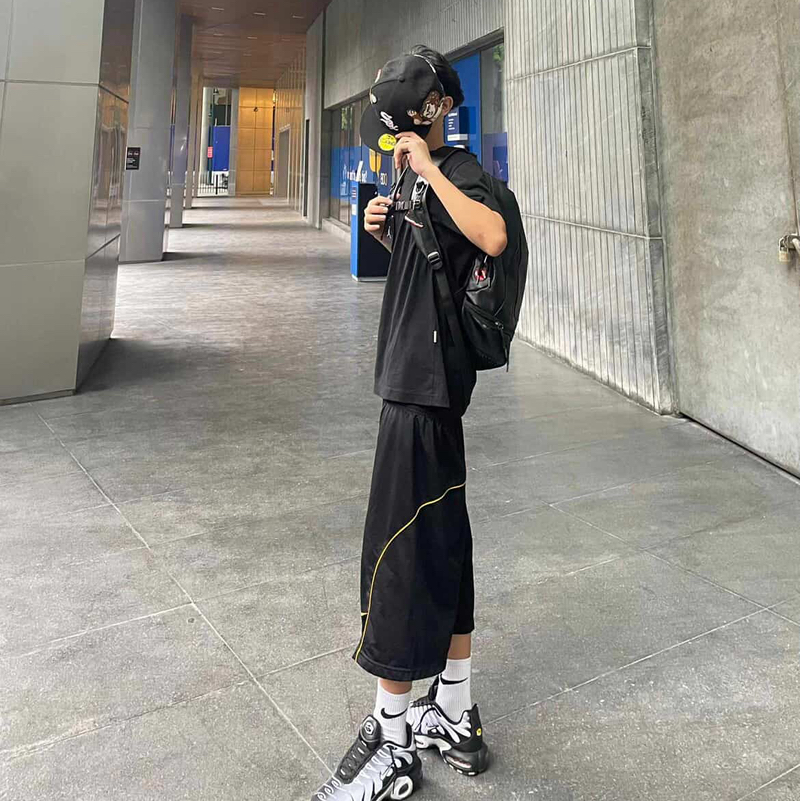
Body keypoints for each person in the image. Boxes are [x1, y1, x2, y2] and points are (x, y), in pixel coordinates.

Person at [313, 46, 507, 801]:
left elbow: (490, 236)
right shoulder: (417, 177)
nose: (394, 143)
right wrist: (390, 231)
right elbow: (436, 269)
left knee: (396, 557)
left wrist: (428, 171)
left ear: (430, 114)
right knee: (446, 548)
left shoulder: (459, 171)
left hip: (422, 394)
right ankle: (453, 709)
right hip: (419, 386)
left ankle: (391, 738)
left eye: (400, 129)